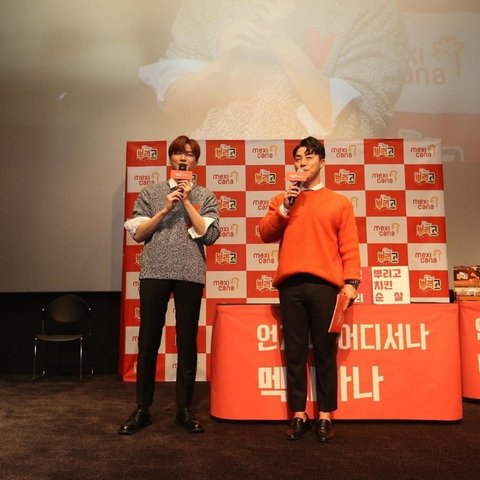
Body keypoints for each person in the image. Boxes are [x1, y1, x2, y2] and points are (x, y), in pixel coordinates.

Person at [139, 0, 409, 139]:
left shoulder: (367, 7)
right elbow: (172, 106)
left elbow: (360, 131)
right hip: (214, 191)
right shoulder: (209, 5)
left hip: (319, 195)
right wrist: (220, 66)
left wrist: (280, 40)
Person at [259, 136, 361, 442]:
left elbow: (349, 245)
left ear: (322, 162)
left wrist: (351, 282)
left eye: (309, 157)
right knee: (294, 352)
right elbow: (265, 233)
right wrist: (285, 207)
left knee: (326, 352)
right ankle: (298, 414)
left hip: (325, 287)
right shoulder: (283, 200)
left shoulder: (339, 202)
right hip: (290, 286)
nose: (302, 163)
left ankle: (325, 415)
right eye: (298, 158)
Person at [119, 135, 220, 435]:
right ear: (171, 159)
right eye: (178, 153)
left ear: (196, 162)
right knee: (149, 339)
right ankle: (142, 408)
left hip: (190, 272)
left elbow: (209, 236)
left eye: (189, 154)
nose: (183, 158)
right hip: (155, 270)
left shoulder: (205, 195)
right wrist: (164, 209)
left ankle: (183, 409)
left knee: (187, 340)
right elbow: (138, 234)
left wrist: (187, 201)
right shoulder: (150, 193)